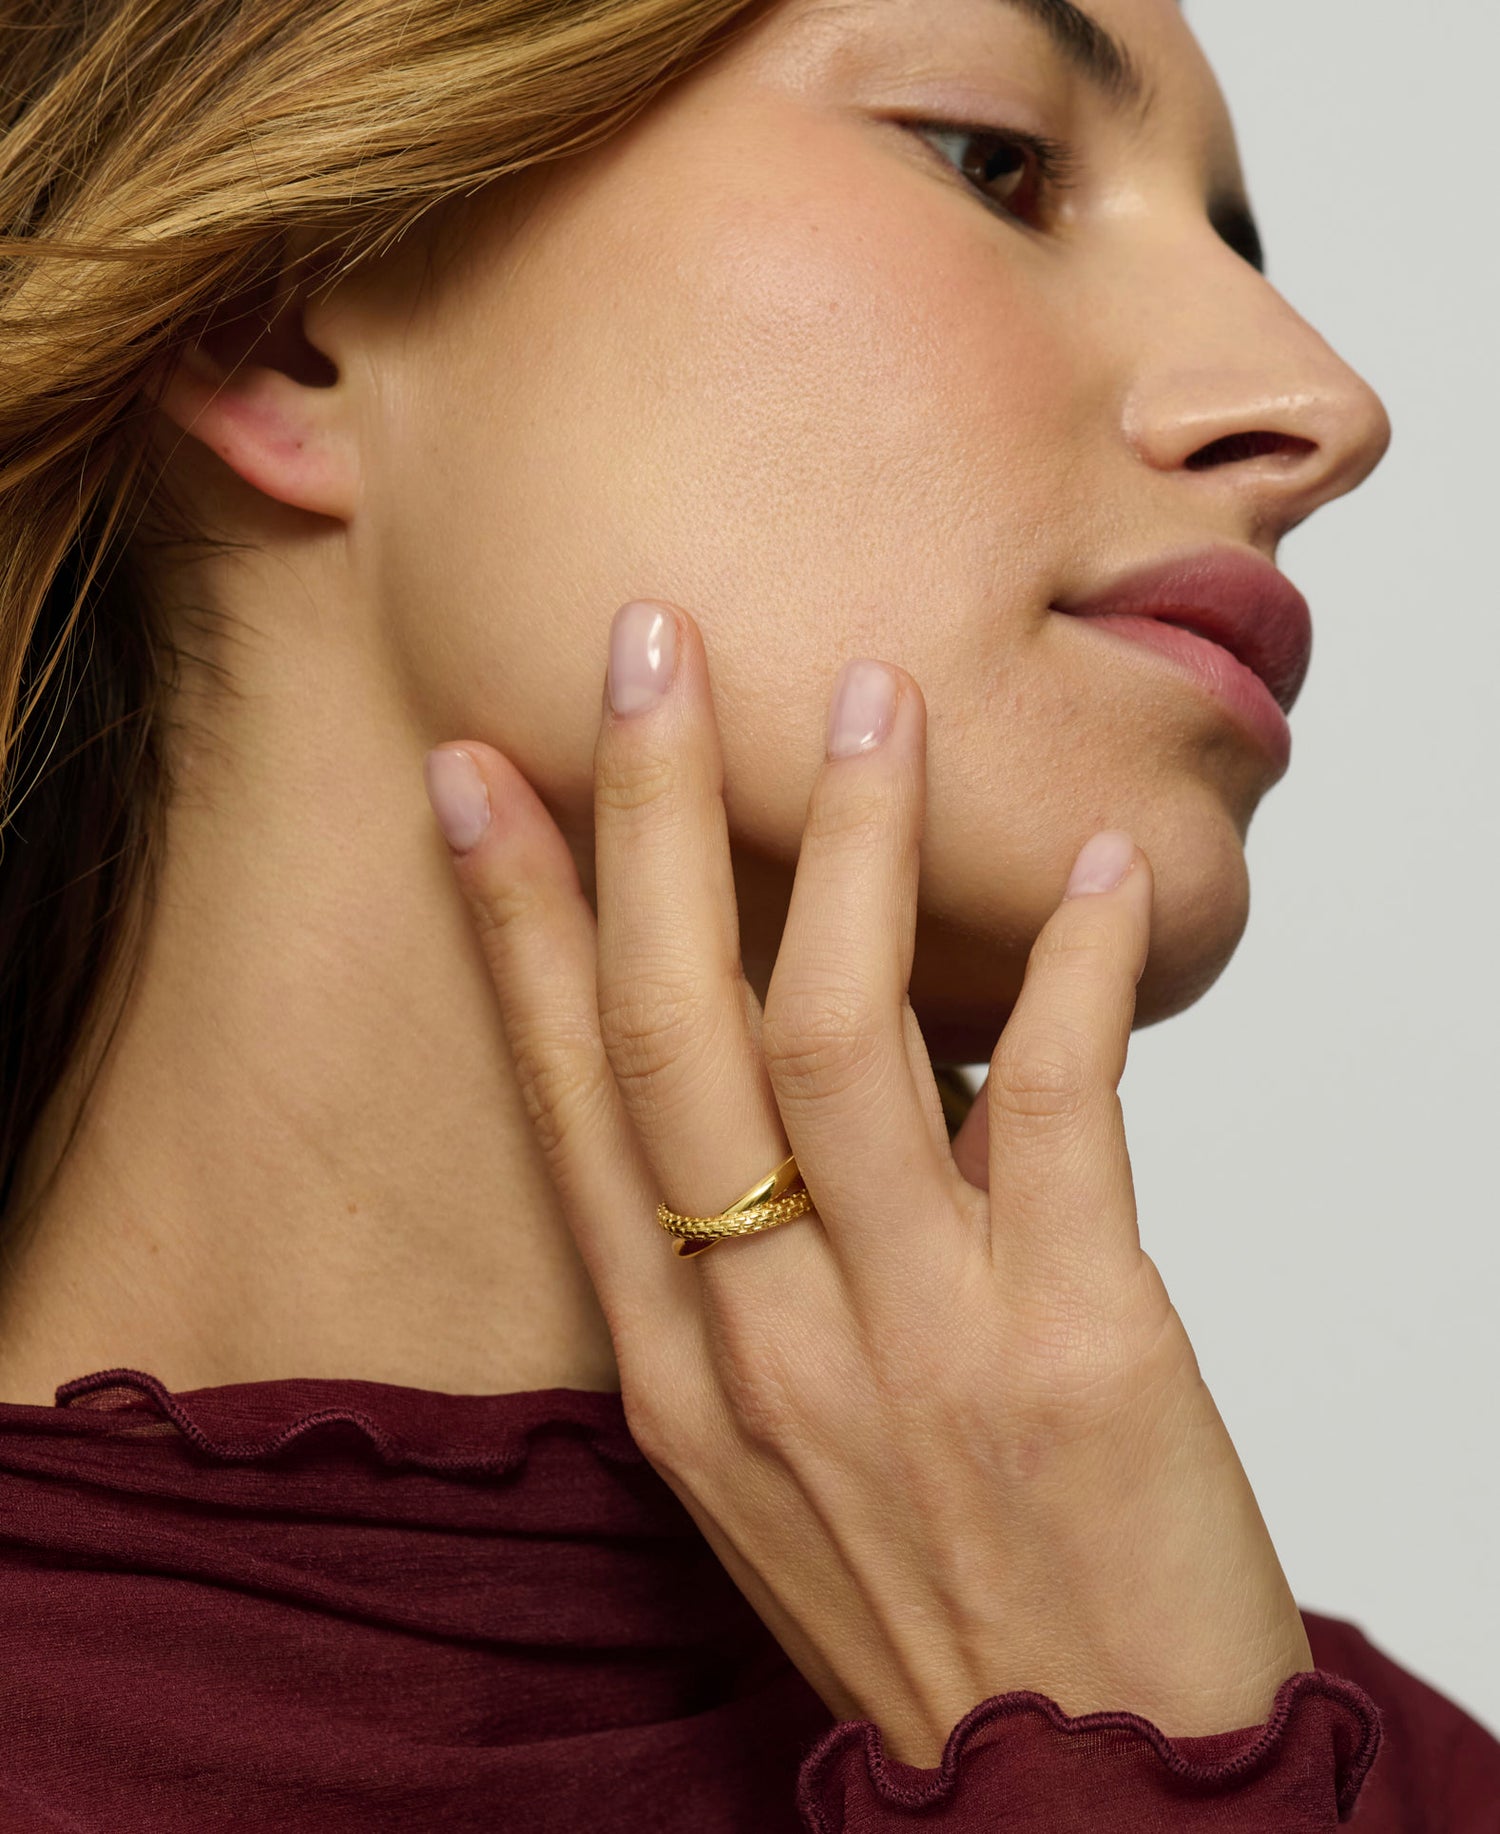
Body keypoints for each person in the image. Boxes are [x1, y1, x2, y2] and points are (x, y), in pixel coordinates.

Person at [0, 0, 1494, 1826]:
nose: (1327, 408)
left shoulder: (1341, 1767)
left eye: (1237, 244)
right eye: (995, 162)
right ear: (286, 312)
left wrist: (1117, 1743)